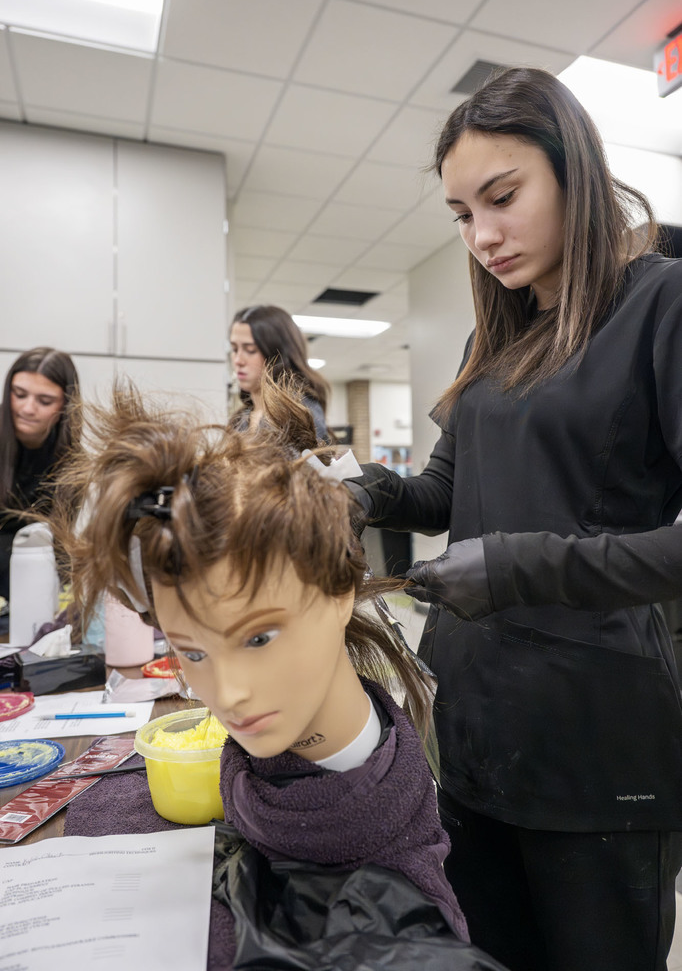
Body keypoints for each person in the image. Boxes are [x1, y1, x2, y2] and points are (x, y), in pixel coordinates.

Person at [345, 66, 682, 971]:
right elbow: (445, 495)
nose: (483, 236)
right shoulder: (489, 337)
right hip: (471, 723)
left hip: (594, 742)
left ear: (573, 168)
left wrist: (521, 567)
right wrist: (367, 491)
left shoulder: (662, 305)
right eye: (462, 214)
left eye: (503, 197)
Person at [49, 381, 507, 971]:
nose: (229, 693)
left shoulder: (402, 917)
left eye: (259, 638)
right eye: (192, 653)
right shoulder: (269, 768)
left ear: (342, 591)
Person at [0, 346, 80, 601]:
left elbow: (60, 543)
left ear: (65, 404)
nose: (27, 408)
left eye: (44, 401)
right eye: (19, 394)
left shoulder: (74, 463)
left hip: (37, 575)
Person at [229, 304, 331, 441]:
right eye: (234, 349)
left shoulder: (299, 412)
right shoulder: (239, 420)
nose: (238, 360)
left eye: (250, 350)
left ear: (277, 354)